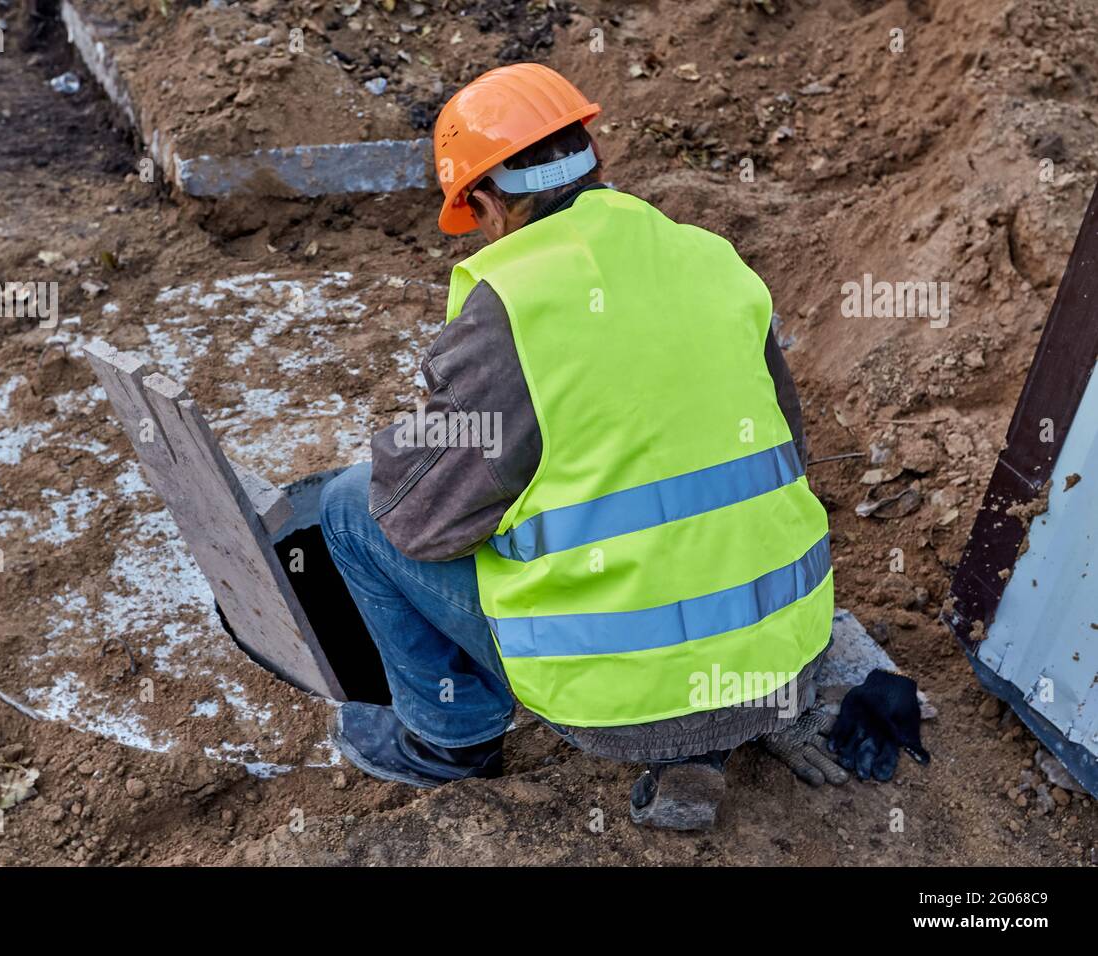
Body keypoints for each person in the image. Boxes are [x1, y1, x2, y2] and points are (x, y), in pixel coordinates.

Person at [320, 63, 836, 830]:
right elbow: (784, 446)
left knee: (346, 510)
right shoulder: (710, 259)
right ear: (595, 160)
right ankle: (711, 740)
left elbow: (420, 521)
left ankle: (446, 741)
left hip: (621, 697)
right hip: (786, 657)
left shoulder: (513, 309)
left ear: (488, 205)